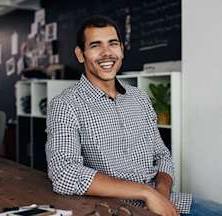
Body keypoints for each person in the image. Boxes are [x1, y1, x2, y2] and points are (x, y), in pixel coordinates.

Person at [45, 15, 222, 216]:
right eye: (95, 45)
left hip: (165, 199)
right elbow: (64, 173)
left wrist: (160, 196)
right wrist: (146, 193)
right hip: (111, 209)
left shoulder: (140, 97)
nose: (106, 53)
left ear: (121, 49)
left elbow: (162, 156)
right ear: (80, 54)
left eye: (113, 44)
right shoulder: (65, 105)